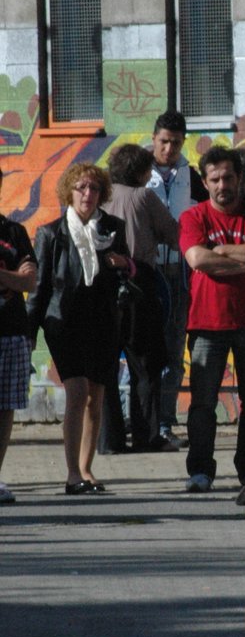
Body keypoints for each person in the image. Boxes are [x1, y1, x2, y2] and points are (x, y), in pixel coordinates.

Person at [27, 163, 132, 495]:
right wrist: (29, 330)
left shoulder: (114, 227)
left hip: (103, 319)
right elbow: (40, 287)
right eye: (81, 188)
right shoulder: (50, 233)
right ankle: (72, 473)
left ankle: (87, 469)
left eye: (94, 189)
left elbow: (129, 271)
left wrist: (124, 265)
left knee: (96, 397)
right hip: (65, 322)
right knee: (77, 392)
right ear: (69, 192)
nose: (88, 194)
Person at [179, 146, 245, 493]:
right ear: (205, 183)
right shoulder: (194, 217)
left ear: (240, 179)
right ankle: (201, 470)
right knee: (203, 403)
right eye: (215, 179)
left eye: (228, 177)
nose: (223, 185)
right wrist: (244, 262)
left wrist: (222, 251)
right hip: (207, 323)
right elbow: (197, 260)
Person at [100, 144, 180, 454]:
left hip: (105, 284)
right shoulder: (144, 197)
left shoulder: (102, 196)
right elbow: (172, 232)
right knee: (145, 364)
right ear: (140, 171)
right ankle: (146, 434)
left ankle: (110, 439)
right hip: (139, 282)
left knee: (107, 365)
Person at [147, 110, 208, 449]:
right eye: (164, 142)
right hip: (145, 270)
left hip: (179, 273)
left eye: (176, 143)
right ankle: (140, 420)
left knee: (173, 351)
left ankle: (166, 422)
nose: (169, 149)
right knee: (141, 353)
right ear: (154, 139)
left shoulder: (189, 174)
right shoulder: (138, 171)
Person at [0, 166, 38, 504]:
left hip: (11, 331)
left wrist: (6, 278)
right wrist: (12, 275)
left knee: (5, 407)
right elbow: (20, 277)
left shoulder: (14, 231)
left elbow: (30, 281)